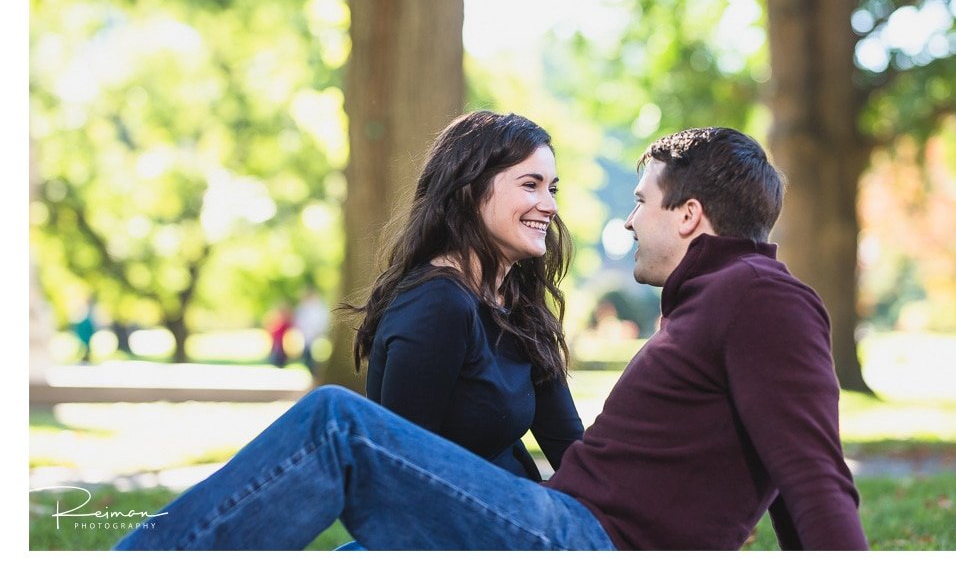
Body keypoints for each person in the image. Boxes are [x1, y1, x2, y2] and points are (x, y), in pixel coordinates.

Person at [115, 126, 867, 551]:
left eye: (640, 202)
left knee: (333, 424)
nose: (629, 219)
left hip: (583, 543)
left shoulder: (761, 298)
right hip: (562, 524)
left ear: (691, 215)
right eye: (530, 185)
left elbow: (813, 475)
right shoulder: (717, 302)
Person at [348, 109, 582, 479]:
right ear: (471, 190)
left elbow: (568, 445)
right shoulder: (438, 303)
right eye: (530, 185)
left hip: (521, 513)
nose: (550, 206)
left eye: (551, 189)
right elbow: (403, 469)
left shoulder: (519, 306)